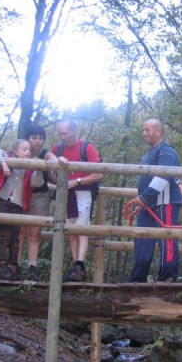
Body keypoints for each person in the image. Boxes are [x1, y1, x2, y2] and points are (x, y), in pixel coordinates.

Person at [127, 119, 182, 283]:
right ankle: (137, 279)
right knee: (142, 239)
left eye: (147, 130)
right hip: (148, 206)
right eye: (143, 129)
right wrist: (144, 201)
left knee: (167, 239)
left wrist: (144, 197)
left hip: (166, 203)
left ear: (158, 131)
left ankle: (167, 278)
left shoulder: (167, 151)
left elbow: (164, 176)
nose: (144, 133)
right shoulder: (149, 153)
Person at [52, 119, 104, 282]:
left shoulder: (86, 147)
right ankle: (77, 267)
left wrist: (77, 181)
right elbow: (51, 173)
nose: (62, 137)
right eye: (60, 133)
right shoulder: (57, 148)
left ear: (74, 131)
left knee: (81, 228)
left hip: (82, 191)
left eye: (65, 133)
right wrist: (60, 182)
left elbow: (99, 173)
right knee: (69, 230)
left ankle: (79, 265)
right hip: (64, 193)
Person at [0, 140, 44, 280]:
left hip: (19, 205)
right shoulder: (7, 157)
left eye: (29, 150)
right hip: (4, 201)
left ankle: (13, 266)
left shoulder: (29, 166)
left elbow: (37, 183)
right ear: (15, 150)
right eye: (24, 149)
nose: (28, 152)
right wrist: (3, 163)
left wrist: (38, 168)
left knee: (16, 237)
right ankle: (1, 264)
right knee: (5, 235)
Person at [18, 124, 58, 281]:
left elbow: (53, 159)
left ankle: (32, 269)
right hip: (21, 196)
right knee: (19, 234)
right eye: (34, 137)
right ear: (27, 138)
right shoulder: (19, 151)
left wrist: (57, 160)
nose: (38, 141)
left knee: (34, 235)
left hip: (40, 197)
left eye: (41, 138)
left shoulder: (45, 154)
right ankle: (15, 265)